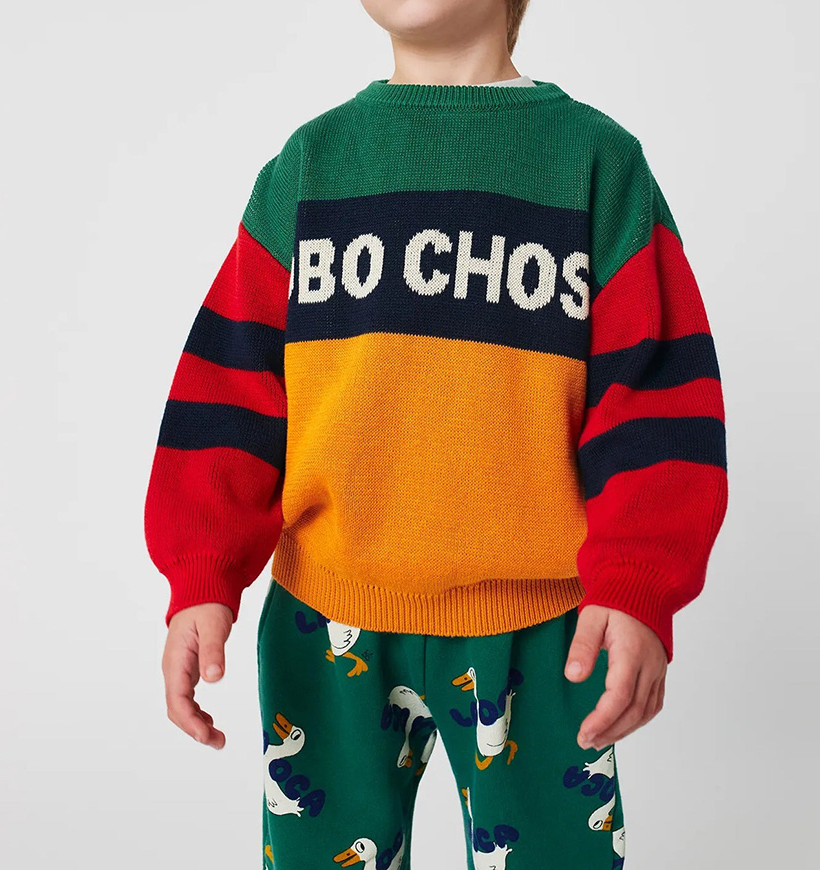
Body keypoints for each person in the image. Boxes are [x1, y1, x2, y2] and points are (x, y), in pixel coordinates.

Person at [143, 0, 728, 866]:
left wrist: (640, 582)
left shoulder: (597, 163)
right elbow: (229, 385)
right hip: (326, 617)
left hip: (544, 630)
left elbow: (658, 399)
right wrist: (202, 571)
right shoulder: (310, 164)